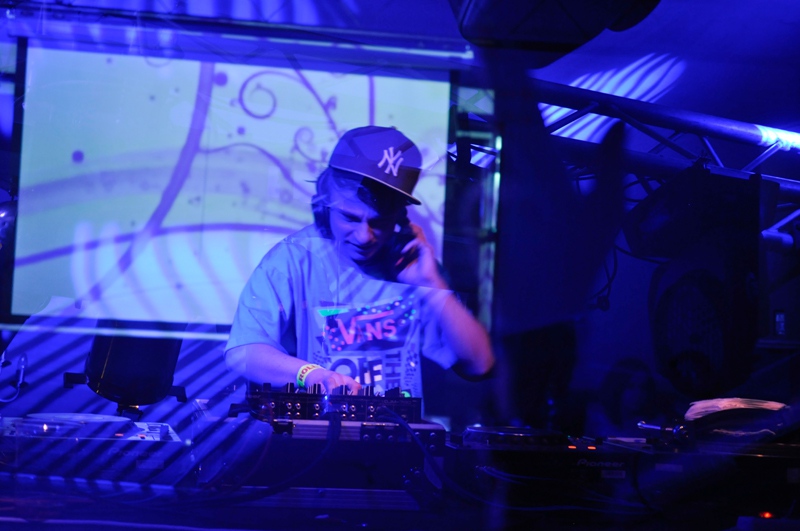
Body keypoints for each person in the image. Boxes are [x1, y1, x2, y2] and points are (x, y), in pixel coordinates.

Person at [225, 126, 494, 400]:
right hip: (319, 426)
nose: (365, 236)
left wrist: (431, 286)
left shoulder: (416, 268)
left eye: (380, 222)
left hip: (397, 427)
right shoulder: (292, 258)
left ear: (400, 219)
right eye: (350, 218)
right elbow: (243, 351)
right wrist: (312, 374)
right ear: (323, 207)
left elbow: (479, 364)